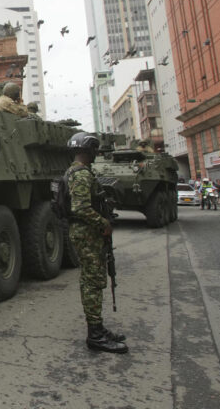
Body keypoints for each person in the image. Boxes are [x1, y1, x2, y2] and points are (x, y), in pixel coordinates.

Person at [64, 131, 128, 354]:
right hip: (87, 233)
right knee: (93, 281)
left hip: (86, 232)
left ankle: (98, 328)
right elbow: (80, 207)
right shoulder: (81, 174)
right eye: (93, 150)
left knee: (92, 279)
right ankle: (95, 335)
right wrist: (103, 223)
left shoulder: (77, 172)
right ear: (88, 150)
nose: (95, 154)